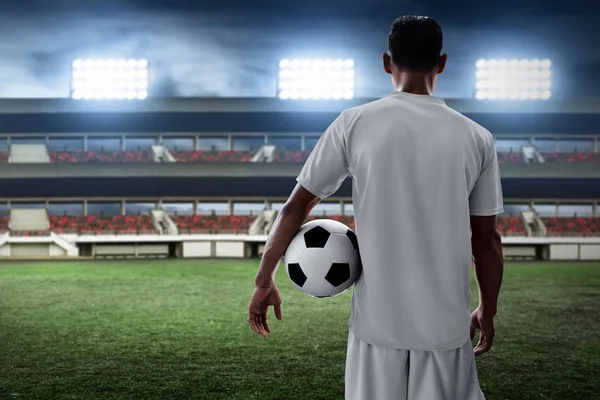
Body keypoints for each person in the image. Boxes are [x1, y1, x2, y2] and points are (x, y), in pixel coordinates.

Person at [248, 15, 504, 400]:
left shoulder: (353, 123)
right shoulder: (477, 138)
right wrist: (487, 307)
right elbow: (486, 241)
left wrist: (264, 279)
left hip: (376, 328)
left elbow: (295, 208)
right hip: (445, 328)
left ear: (387, 62)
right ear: (443, 62)